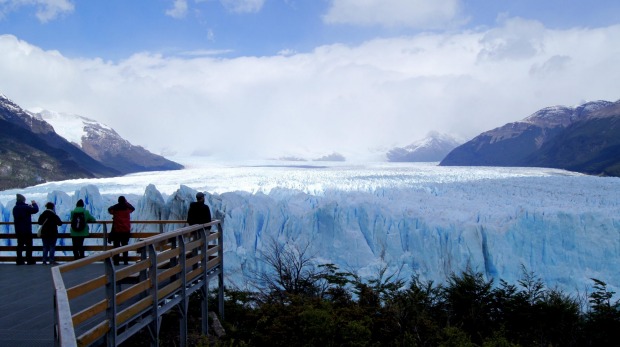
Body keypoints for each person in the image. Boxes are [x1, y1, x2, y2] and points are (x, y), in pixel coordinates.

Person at [12, 194, 39, 265]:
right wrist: (34, 204)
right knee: (29, 245)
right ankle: (29, 259)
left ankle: (19, 260)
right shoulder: (26, 208)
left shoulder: (15, 208)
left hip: (18, 230)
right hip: (27, 229)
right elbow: (36, 210)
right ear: (23, 200)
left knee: (20, 245)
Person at [108, 196, 135, 265]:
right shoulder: (127, 209)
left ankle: (116, 262)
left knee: (116, 247)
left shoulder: (115, 209)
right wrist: (126, 203)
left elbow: (109, 209)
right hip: (126, 231)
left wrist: (117, 205)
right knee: (125, 246)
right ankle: (125, 261)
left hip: (117, 231)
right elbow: (133, 208)